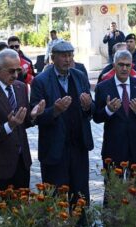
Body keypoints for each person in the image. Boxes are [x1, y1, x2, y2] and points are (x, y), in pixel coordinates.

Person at [0, 49, 45, 202]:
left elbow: (23, 123)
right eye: (11, 71)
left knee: (21, 216)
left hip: (21, 164)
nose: (16, 74)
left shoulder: (20, 88)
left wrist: (32, 116)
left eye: (18, 70)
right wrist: (8, 126)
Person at [30, 41, 94, 209]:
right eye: (64, 56)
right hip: (54, 149)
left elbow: (90, 109)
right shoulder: (40, 81)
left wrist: (88, 107)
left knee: (80, 196)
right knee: (54, 199)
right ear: (53, 58)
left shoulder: (79, 76)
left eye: (70, 55)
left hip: (78, 147)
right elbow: (34, 117)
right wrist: (55, 111)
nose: (68, 60)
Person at [94, 49, 136, 173]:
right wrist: (108, 110)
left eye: (128, 65)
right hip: (113, 147)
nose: (124, 68)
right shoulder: (102, 88)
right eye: (121, 65)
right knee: (114, 189)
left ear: (132, 66)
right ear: (114, 65)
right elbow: (96, 117)